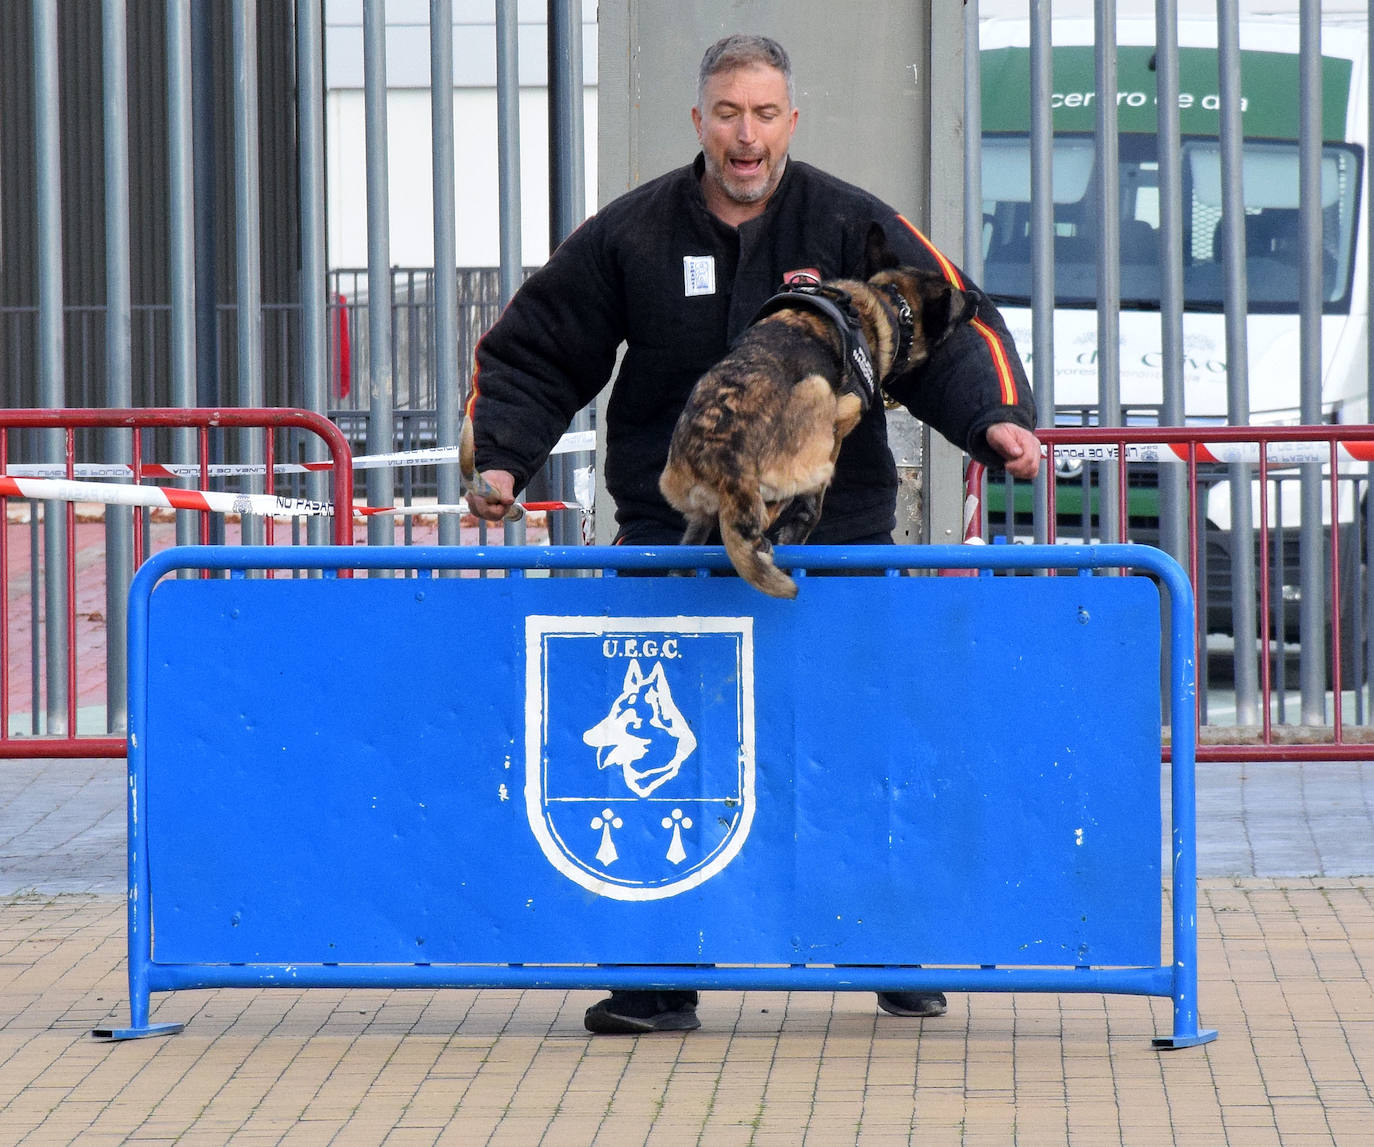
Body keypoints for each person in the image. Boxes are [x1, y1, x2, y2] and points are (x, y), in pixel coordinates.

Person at [466, 34, 1041, 1035]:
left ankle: (890, 947)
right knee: (663, 762)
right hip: (672, 542)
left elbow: (948, 324)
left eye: (764, 114)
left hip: (835, 540)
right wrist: (504, 459)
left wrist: (992, 419)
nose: (746, 134)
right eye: (728, 113)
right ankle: (656, 974)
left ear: (790, 123)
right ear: (701, 123)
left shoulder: (853, 222)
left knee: (861, 744)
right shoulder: (633, 234)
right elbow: (537, 346)